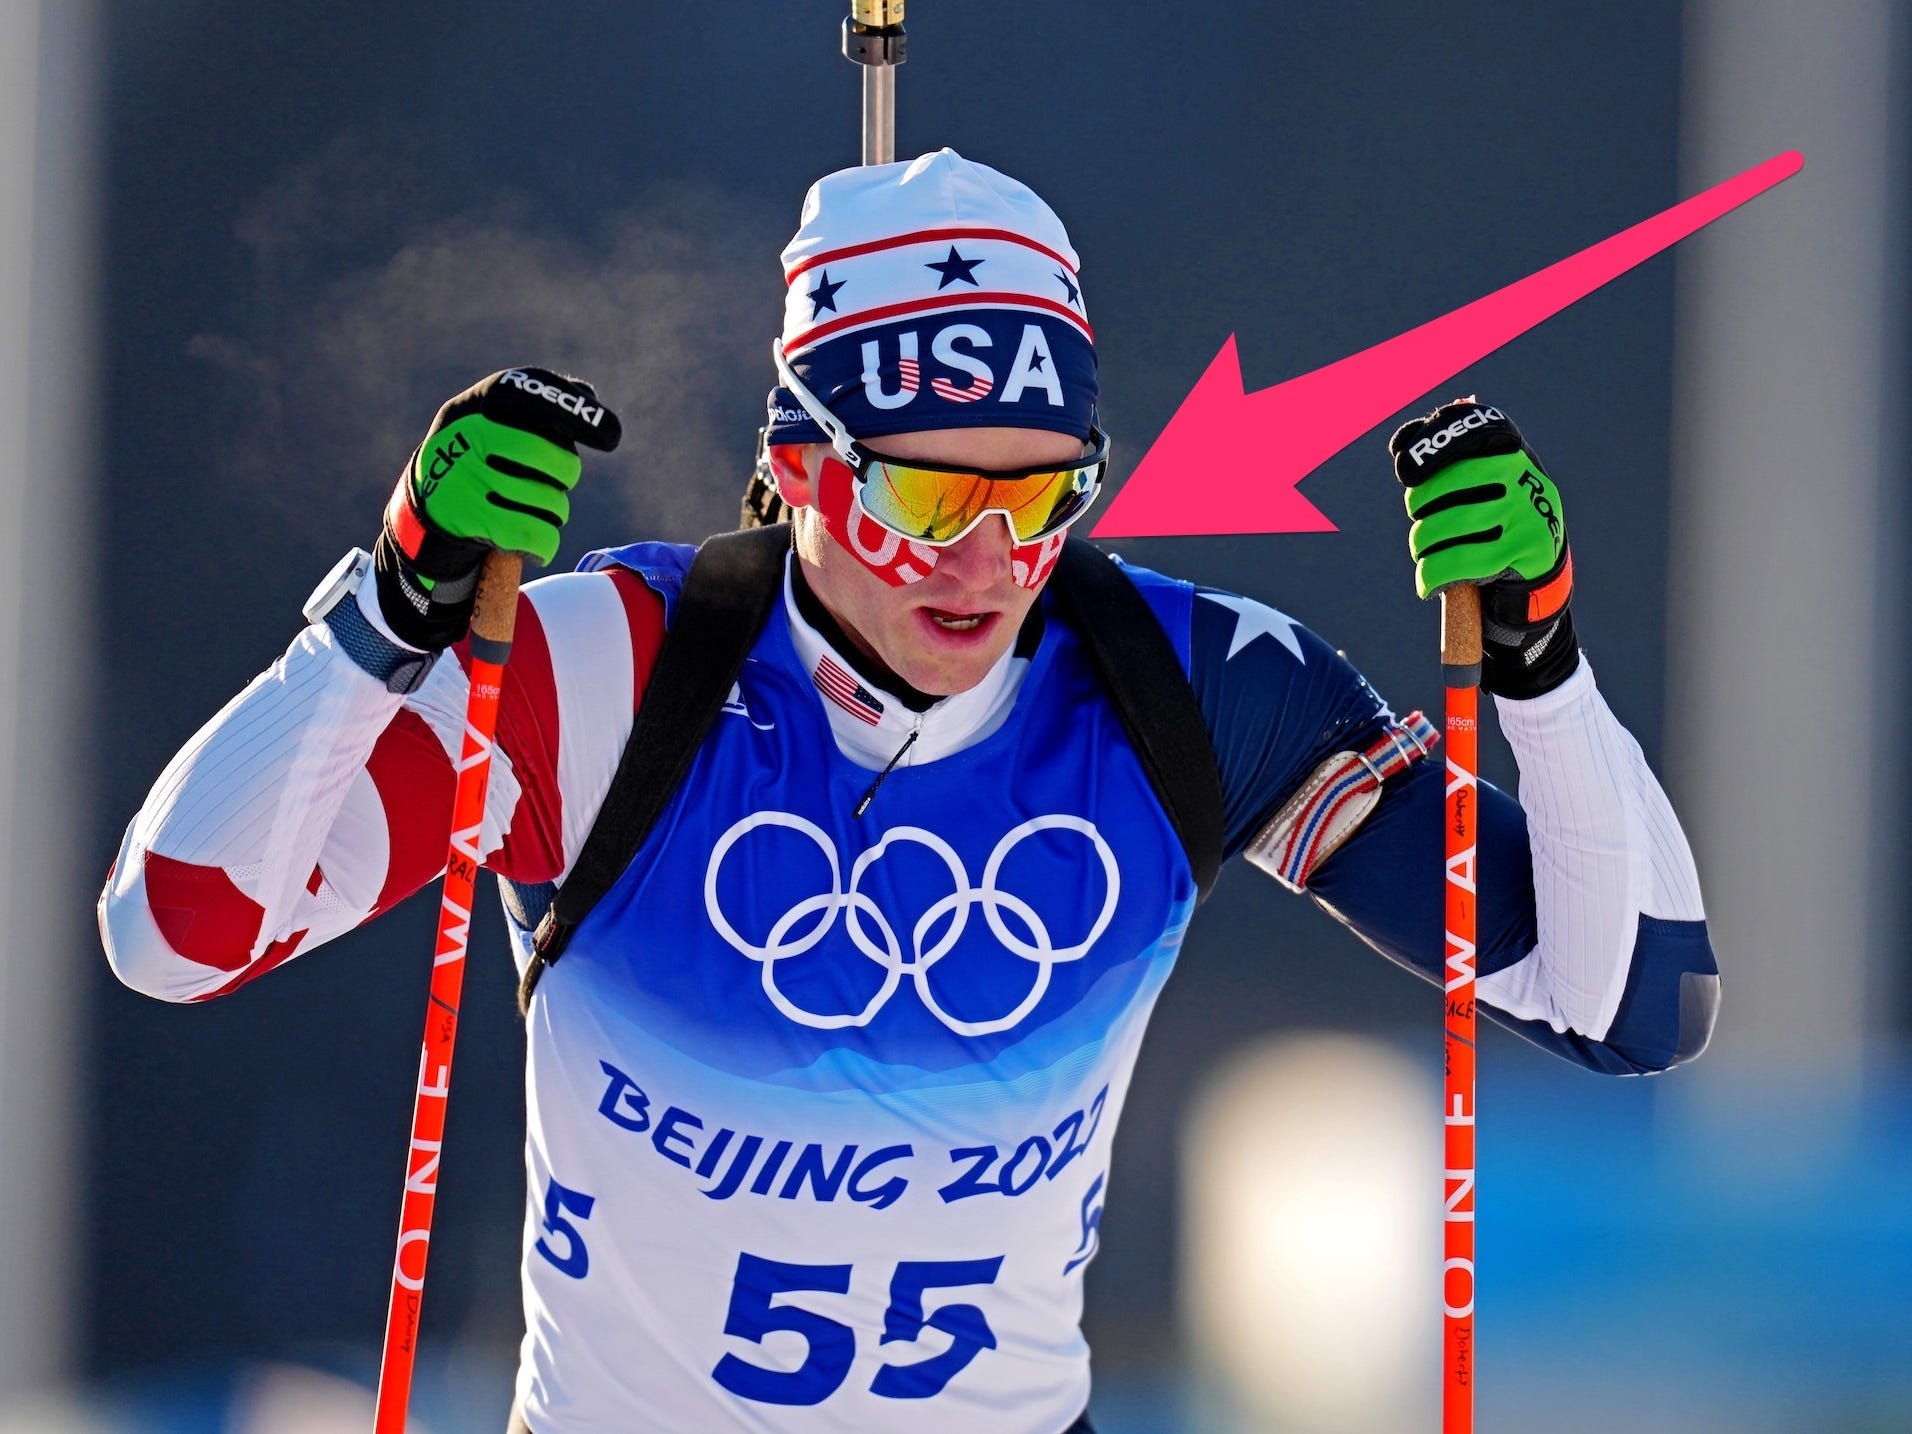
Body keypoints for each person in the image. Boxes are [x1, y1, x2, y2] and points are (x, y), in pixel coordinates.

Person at [99, 149, 1719, 1434]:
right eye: (932, 490)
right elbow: (176, 926)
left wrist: (1542, 667)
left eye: (1042, 495)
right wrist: (392, 611)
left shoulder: (1193, 686)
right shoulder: (615, 669)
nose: (988, 559)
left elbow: (1628, 999)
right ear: (802, 469)